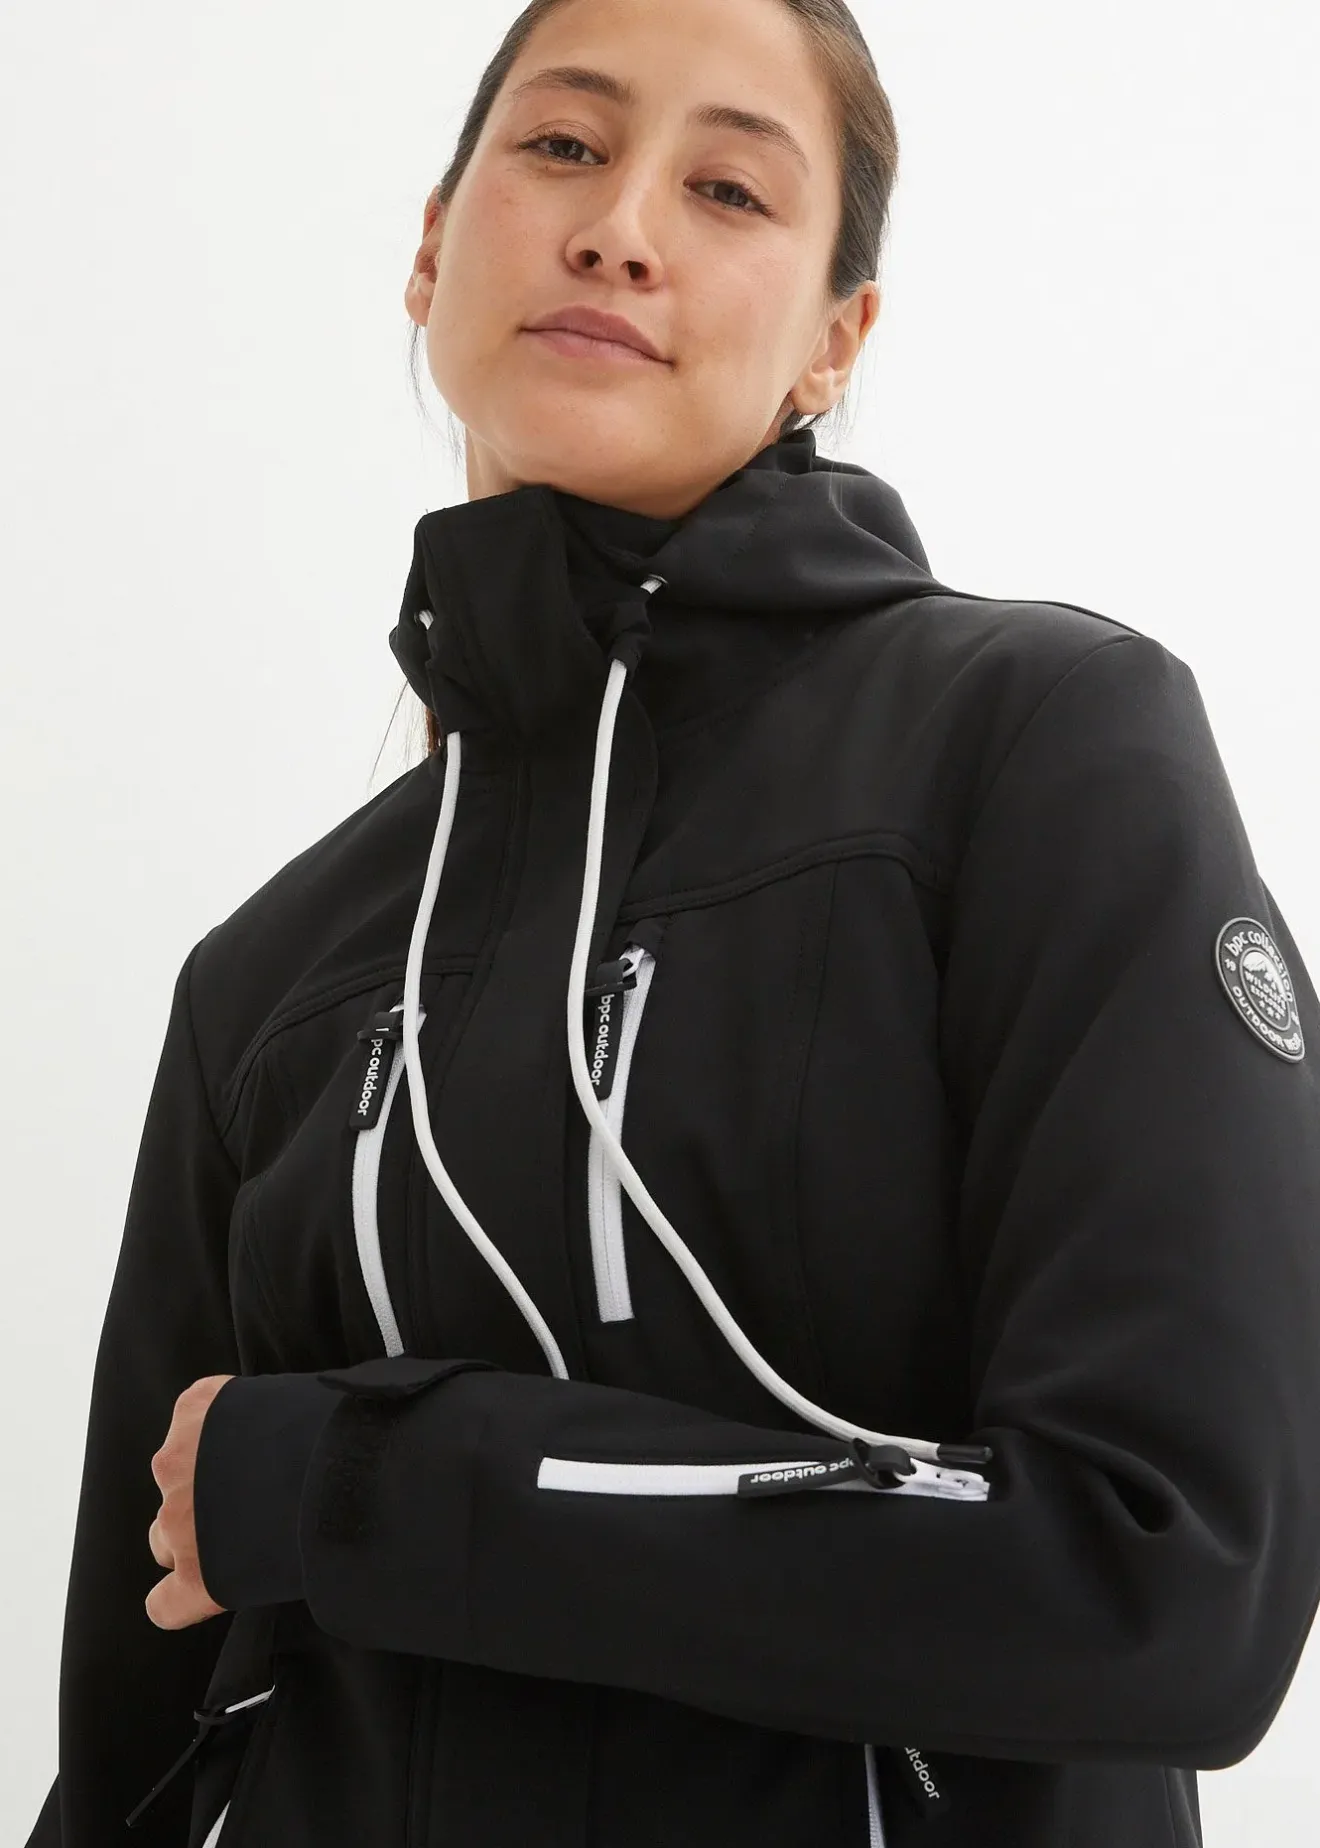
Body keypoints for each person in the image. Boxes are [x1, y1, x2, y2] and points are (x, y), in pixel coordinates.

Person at [25, 0, 1320, 1844]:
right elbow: (133, 1759)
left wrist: (369, 1489)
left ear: (833, 340)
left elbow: (1169, 1576)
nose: (621, 226)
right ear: (431, 246)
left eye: (728, 190)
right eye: (563, 146)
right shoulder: (271, 977)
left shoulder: (1040, 750)